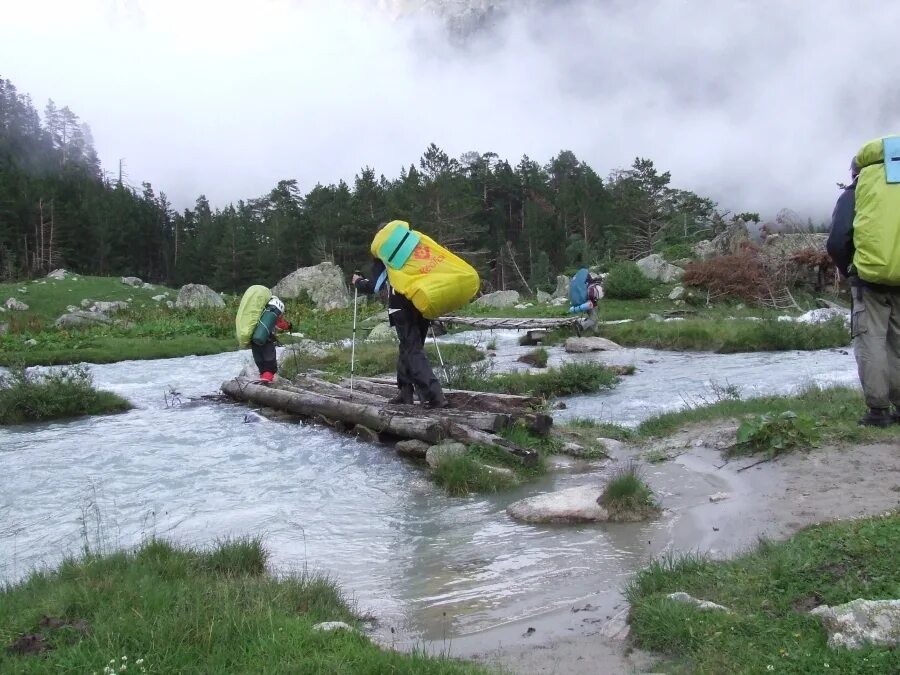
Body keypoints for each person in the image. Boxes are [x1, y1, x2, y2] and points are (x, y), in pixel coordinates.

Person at [827, 154, 900, 427]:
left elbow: (837, 240)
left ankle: (879, 411)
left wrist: (850, 269)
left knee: (871, 341)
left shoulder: (857, 191)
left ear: (857, 171)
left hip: (869, 281)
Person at [353, 258, 447, 408]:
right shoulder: (415, 248)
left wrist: (358, 282)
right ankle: (405, 392)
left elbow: (375, 286)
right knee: (408, 348)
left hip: (401, 306)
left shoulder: (386, 254)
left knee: (412, 350)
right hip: (422, 303)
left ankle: (434, 395)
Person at [250, 295, 292, 382]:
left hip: (254, 340)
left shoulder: (259, 311)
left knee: (261, 365)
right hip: (266, 340)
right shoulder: (271, 312)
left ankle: (261, 383)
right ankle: (266, 386)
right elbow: (280, 325)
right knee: (269, 366)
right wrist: (289, 325)